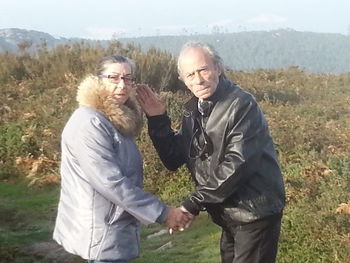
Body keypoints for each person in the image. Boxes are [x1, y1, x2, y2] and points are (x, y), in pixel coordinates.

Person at [136, 42, 286, 263]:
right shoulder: (195, 109)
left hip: (254, 213)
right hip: (229, 214)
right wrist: (157, 120)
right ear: (183, 80)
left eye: (203, 70)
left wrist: (193, 204)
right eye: (190, 75)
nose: (198, 80)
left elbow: (238, 163)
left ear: (218, 67)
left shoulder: (241, 104)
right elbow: (174, 158)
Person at [53, 55, 193, 263]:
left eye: (128, 79)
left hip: (111, 229)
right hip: (99, 232)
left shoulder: (116, 121)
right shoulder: (90, 123)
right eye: (113, 77)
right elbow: (111, 183)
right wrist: (164, 213)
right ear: (98, 80)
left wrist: (157, 118)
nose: (122, 85)